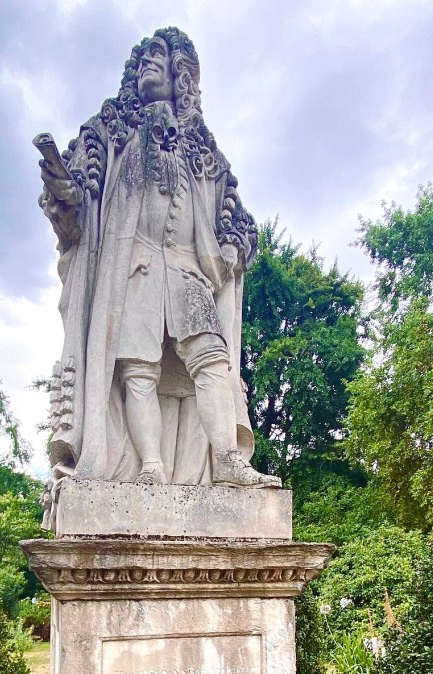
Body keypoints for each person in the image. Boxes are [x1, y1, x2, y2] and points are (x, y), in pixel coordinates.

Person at [36, 26, 280, 511]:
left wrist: (233, 244)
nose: (149, 62)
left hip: (189, 270)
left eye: (159, 57)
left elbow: (238, 221)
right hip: (134, 268)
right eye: (144, 57)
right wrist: (63, 191)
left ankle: (226, 460)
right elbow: (80, 204)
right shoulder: (109, 132)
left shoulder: (206, 152)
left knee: (212, 359)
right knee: (137, 369)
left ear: (180, 73)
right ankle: (150, 467)